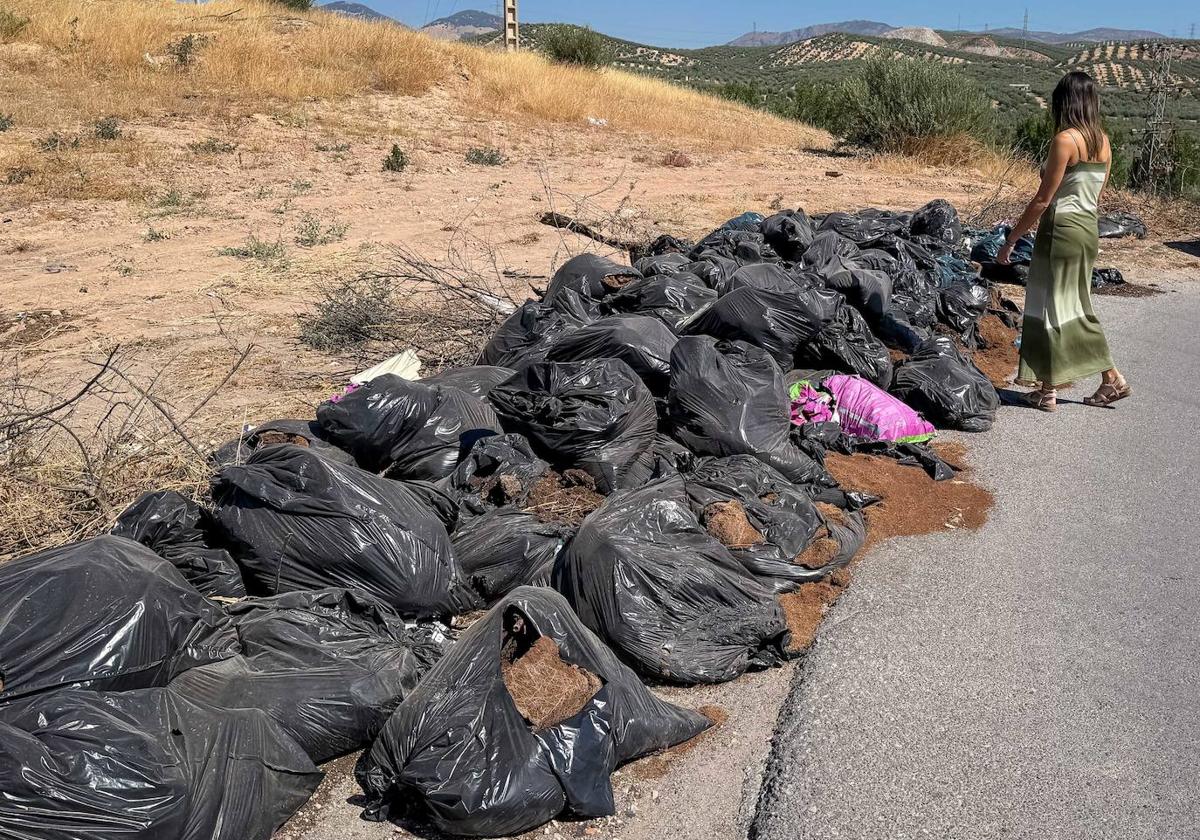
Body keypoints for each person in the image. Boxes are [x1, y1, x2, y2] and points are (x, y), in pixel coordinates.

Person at [997, 70, 1129, 412]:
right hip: (1087, 229)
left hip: (1061, 230)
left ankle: (1107, 376)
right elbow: (1096, 195)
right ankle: (1051, 388)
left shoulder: (1065, 141)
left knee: (1056, 306)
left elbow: (1044, 199)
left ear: (1065, 102)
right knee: (1070, 305)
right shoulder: (1103, 141)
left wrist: (1011, 239)